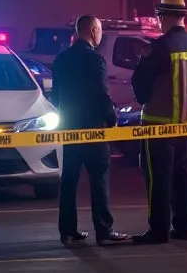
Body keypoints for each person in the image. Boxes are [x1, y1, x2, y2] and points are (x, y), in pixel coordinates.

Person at [130, 0, 187, 245]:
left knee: (158, 179)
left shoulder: (159, 47)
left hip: (158, 124)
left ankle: (159, 230)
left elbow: (140, 82)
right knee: (182, 177)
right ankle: (184, 226)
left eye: (159, 16)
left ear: (164, 16)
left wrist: (145, 101)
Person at [51, 15, 130, 246]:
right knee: (99, 179)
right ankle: (104, 230)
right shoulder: (95, 59)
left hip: (70, 127)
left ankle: (67, 231)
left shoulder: (62, 58)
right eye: (100, 30)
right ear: (93, 30)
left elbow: (55, 96)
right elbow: (101, 94)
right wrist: (111, 118)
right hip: (94, 129)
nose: (101, 35)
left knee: (69, 180)